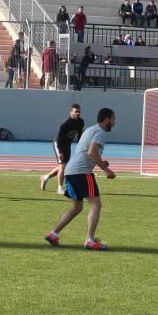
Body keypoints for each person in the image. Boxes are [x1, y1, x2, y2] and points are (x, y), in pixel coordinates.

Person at [45, 107, 116, 251]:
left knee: (77, 207)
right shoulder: (100, 132)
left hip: (70, 171)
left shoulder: (90, 129)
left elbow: (87, 152)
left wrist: (101, 162)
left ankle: (53, 234)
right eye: (113, 120)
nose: (114, 123)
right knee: (96, 204)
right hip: (82, 172)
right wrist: (106, 169)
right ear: (107, 119)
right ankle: (90, 240)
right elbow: (91, 152)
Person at [40, 104, 84, 192]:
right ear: (71, 112)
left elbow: (80, 136)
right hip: (59, 144)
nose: (78, 113)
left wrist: (81, 147)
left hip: (67, 145)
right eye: (76, 112)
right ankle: (60, 188)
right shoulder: (66, 122)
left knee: (64, 166)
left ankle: (45, 177)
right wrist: (60, 151)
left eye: (79, 112)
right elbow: (59, 137)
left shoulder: (81, 122)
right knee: (63, 166)